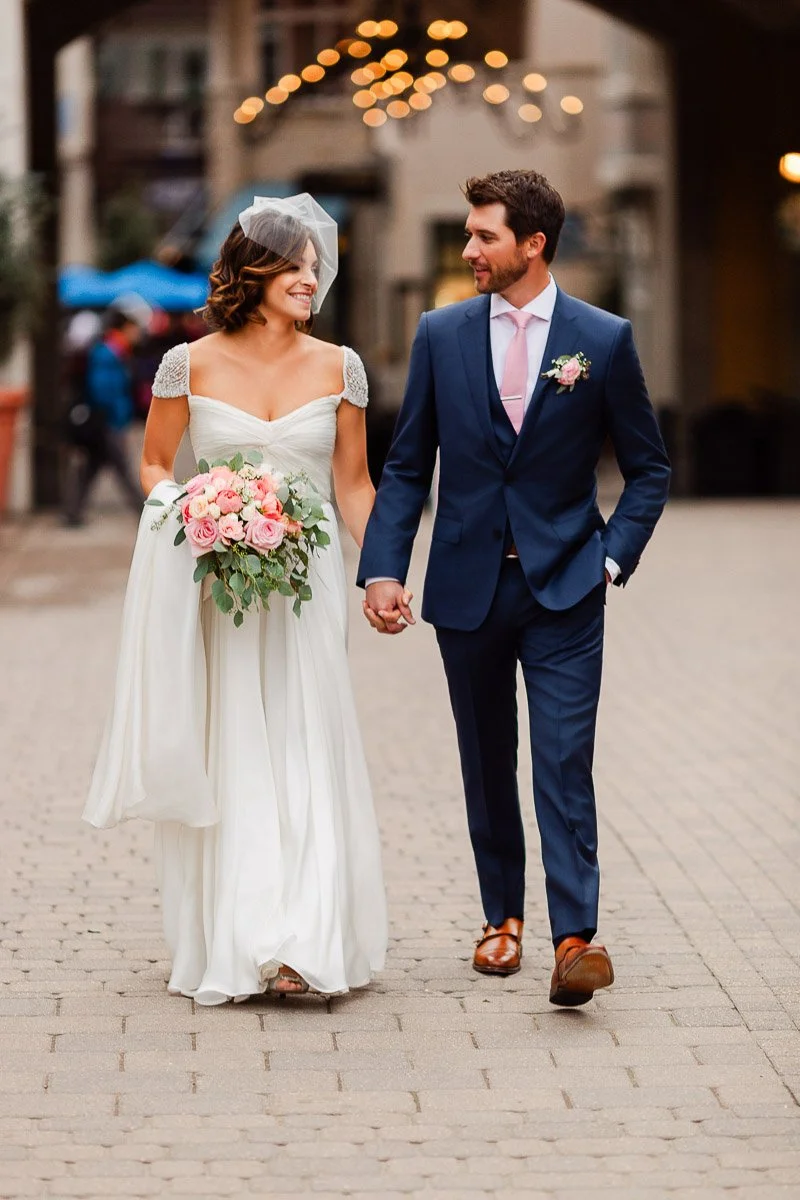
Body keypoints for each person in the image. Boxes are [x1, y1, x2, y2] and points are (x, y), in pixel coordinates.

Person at [358, 170, 670, 1007]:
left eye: (484, 235)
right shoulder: (441, 332)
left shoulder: (601, 340)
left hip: (567, 586)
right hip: (466, 588)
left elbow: (648, 470)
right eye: (468, 234)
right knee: (488, 760)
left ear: (533, 243)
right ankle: (503, 919)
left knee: (564, 762)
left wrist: (610, 558)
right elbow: (405, 465)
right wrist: (385, 565)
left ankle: (576, 938)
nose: (468, 250)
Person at [83, 195, 389, 1003]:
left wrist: (383, 570)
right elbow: (154, 464)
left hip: (310, 580)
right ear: (255, 272)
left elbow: (353, 485)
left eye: (317, 266)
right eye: (298, 265)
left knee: (305, 736)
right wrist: (196, 509)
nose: (312, 278)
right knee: (238, 746)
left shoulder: (340, 366)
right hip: (220, 580)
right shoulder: (190, 364)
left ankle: (307, 939)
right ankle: (246, 934)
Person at [63, 305, 145, 527]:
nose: (137, 334)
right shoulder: (108, 352)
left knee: (92, 468)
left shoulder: (115, 351)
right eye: (134, 328)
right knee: (123, 470)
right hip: (107, 422)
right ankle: (145, 512)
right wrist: (115, 416)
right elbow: (104, 390)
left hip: (109, 421)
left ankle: (73, 512)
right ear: (124, 327)